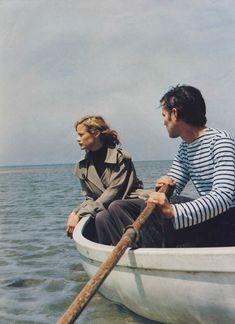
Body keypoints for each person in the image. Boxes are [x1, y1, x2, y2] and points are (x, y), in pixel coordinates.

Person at [104, 85, 235, 247]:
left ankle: (153, 258)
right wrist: (165, 187)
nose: (163, 122)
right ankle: (138, 251)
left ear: (174, 114)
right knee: (118, 207)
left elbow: (223, 198)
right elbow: (174, 185)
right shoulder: (186, 146)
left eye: (164, 115)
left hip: (228, 222)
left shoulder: (221, 141)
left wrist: (173, 211)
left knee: (161, 207)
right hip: (211, 219)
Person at [66, 115, 145, 243]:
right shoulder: (82, 166)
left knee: (104, 214)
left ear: (96, 134)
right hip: (105, 209)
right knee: (100, 216)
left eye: (81, 135)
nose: (77, 139)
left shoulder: (121, 158)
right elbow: (91, 198)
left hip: (129, 204)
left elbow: (114, 193)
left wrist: (80, 213)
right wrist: (75, 213)